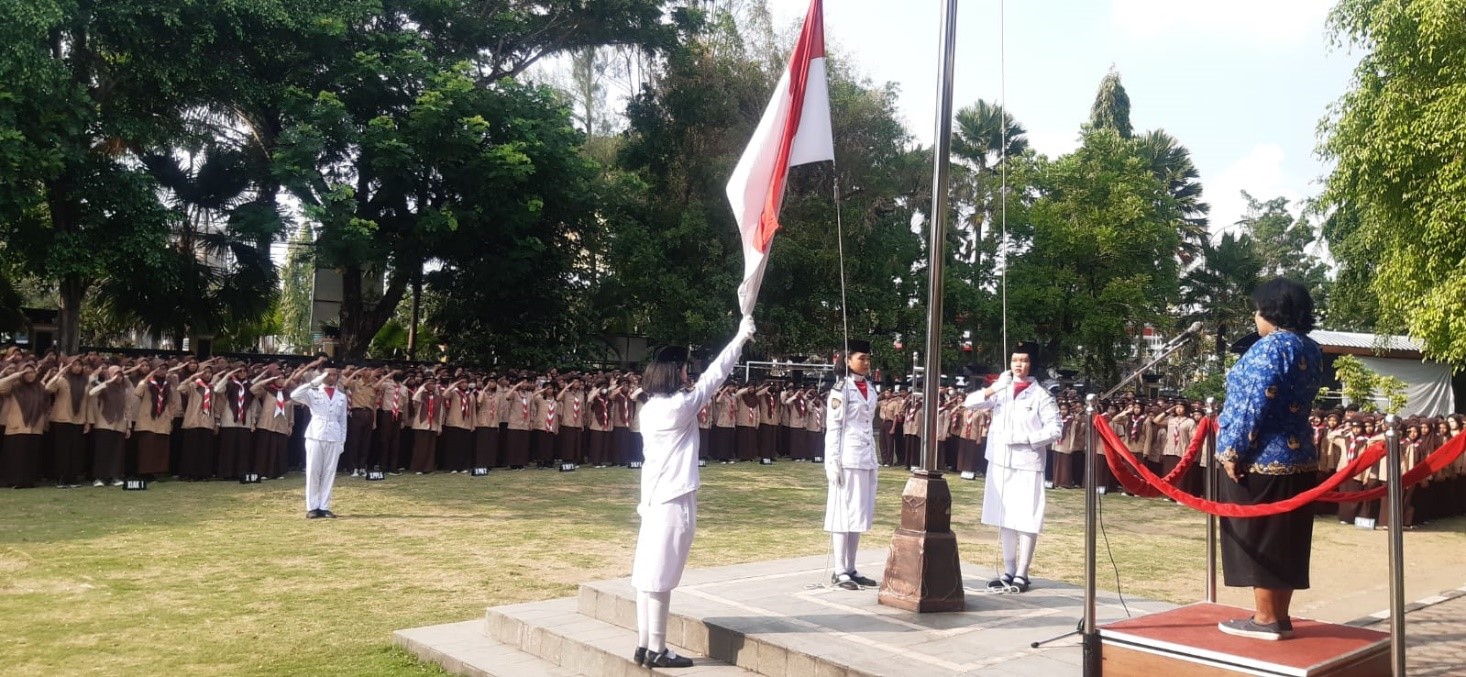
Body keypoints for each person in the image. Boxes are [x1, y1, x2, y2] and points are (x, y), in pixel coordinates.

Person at [631, 315, 755, 669]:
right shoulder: (678, 407)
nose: (689, 375)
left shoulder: (652, 406)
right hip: (673, 498)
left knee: (648, 575)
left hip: (655, 498)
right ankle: (656, 649)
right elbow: (717, 374)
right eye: (685, 370)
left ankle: (645, 644)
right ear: (673, 373)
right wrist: (740, 338)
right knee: (660, 577)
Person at [1215, 277, 1323, 641]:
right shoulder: (1310, 348)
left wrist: (1231, 450)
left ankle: (1264, 617)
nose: (1254, 315)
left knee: (1260, 536)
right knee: (1285, 538)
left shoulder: (1268, 348)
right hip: (1300, 455)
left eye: (1258, 309)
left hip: (1262, 457)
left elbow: (1251, 406)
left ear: (1271, 311)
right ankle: (1280, 615)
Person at [962, 342, 1061, 592]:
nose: (1019, 365)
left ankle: (1022, 573)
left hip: (1028, 461)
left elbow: (1055, 429)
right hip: (1000, 461)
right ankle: (1008, 569)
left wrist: (1026, 438)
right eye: (1015, 360)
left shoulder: (1041, 395)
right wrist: (993, 388)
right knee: (1004, 517)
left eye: (1024, 360)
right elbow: (969, 404)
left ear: (1032, 364)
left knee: (1026, 518)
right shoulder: (1002, 389)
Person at [823, 340, 880, 591]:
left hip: (866, 456)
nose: (865, 363)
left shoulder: (868, 386)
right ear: (847, 360)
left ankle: (852, 567)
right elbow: (834, 428)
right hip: (847, 457)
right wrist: (832, 461)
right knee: (842, 514)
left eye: (868, 358)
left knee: (859, 514)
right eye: (861, 358)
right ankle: (839, 569)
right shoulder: (840, 390)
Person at [291, 359, 349, 519]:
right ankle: (312, 506)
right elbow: (294, 395)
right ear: (322, 375)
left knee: (329, 472)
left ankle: (325, 506)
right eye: (328, 374)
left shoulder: (341, 396)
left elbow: (343, 420)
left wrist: (342, 441)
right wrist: (312, 383)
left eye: (335, 374)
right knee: (313, 471)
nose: (332, 377)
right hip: (315, 434)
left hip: (334, 436)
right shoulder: (313, 391)